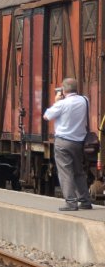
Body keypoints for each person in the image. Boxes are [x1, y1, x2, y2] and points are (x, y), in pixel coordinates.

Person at [43, 78, 93, 211]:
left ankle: (71, 202)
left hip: (63, 142)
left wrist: (56, 101)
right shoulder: (84, 100)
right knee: (79, 171)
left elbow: (47, 116)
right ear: (77, 88)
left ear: (63, 90)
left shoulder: (62, 104)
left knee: (65, 173)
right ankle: (85, 201)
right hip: (79, 142)